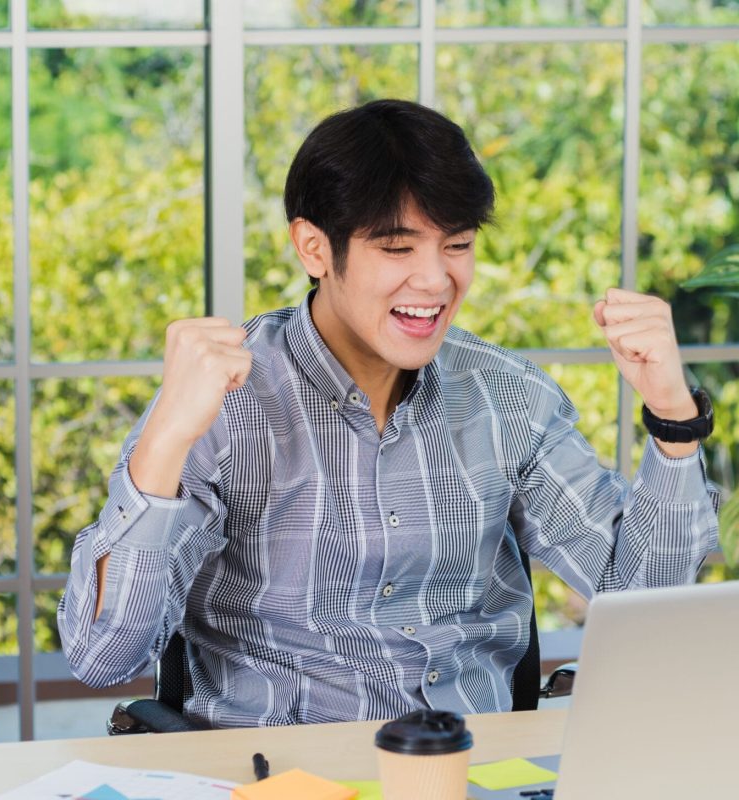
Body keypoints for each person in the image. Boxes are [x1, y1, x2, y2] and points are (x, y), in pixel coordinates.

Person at [59, 99, 719, 727]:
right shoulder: (224, 404)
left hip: (471, 771)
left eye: (455, 245)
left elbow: (643, 602)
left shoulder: (507, 397)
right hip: (279, 776)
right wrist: (166, 439)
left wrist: (672, 419)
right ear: (314, 249)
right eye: (398, 249)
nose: (435, 281)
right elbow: (102, 656)